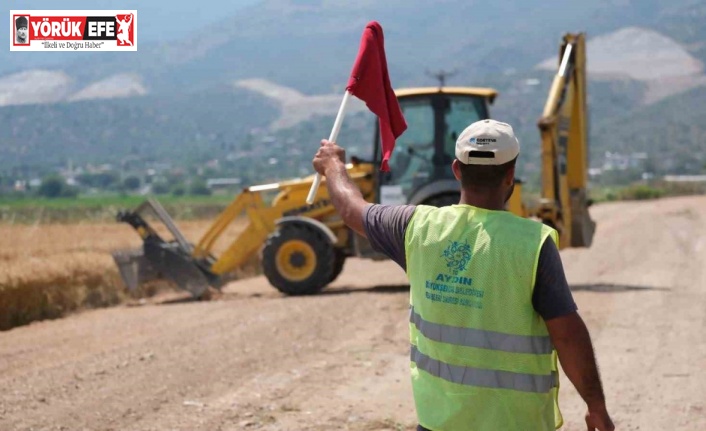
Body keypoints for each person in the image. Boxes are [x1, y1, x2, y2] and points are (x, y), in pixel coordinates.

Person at [312, 119, 614, 431]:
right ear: (510, 175)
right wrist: (596, 406)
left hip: (438, 423)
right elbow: (567, 334)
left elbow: (351, 209)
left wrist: (334, 166)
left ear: (457, 170)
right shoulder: (532, 244)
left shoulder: (414, 227)